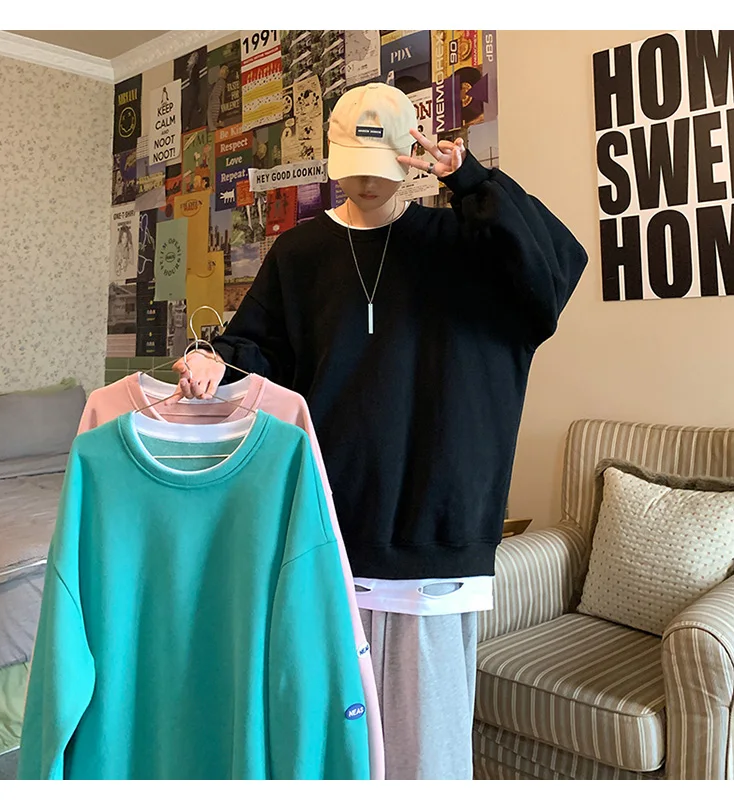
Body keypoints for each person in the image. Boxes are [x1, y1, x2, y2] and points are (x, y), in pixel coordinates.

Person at [173, 83, 588, 780]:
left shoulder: (464, 246)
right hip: (326, 531)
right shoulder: (300, 253)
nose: (365, 182)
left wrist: (470, 180)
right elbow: (259, 353)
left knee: (428, 759)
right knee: (325, 745)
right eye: (351, 166)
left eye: (380, 165)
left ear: (409, 154)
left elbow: (548, 279)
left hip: (435, 537)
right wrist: (213, 359)